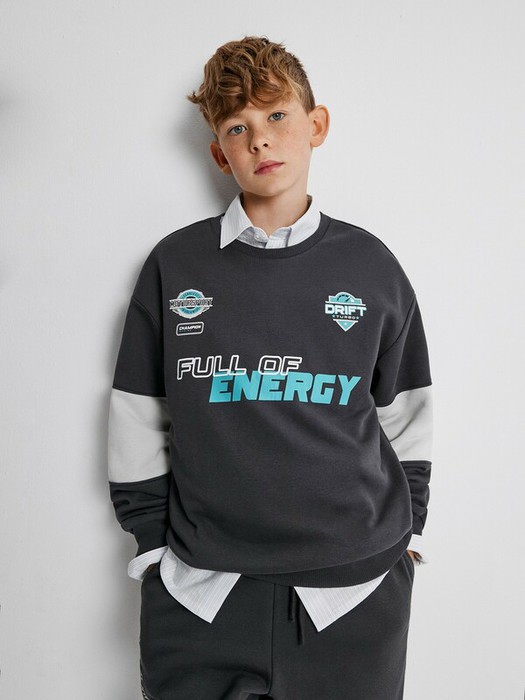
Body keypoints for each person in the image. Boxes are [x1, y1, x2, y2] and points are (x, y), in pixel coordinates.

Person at [107, 35, 433, 700]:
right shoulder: (176, 265)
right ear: (218, 152)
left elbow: (406, 410)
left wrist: (408, 535)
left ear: (316, 125)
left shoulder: (370, 266)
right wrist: (152, 546)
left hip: (355, 592)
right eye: (238, 127)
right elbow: (137, 413)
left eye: (277, 115)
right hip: (202, 592)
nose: (260, 140)